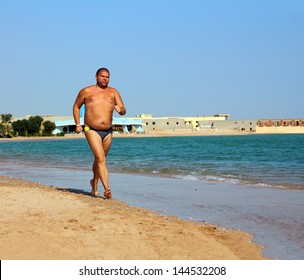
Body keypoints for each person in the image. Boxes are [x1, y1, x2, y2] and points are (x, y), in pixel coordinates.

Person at [73, 67, 126, 199]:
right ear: (96, 76)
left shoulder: (113, 92)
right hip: (90, 129)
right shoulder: (86, 91)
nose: (105, 79)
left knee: (100, 159)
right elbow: (76, 106)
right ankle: (107, 189)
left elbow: (123, 109)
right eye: (102, 76)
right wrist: (78, 124)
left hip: (108, 131)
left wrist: (121, 110)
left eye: (107, 77)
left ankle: (94, 183)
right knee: (101, 158)